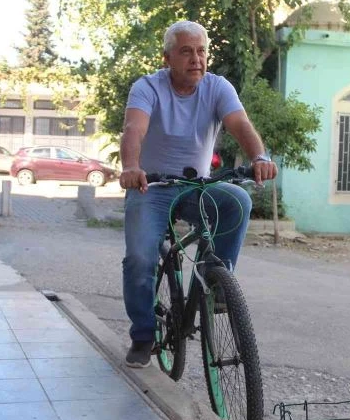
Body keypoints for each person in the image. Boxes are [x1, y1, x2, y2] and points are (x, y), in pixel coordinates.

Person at [119, 20, 278, 368]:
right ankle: (143, 335)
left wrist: (259, 157)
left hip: (197, 187)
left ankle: (214, 280)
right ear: (167, 58)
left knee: (238, 200)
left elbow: (241, 125)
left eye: (202, 51)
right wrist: (132, 167)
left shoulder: (218, 88)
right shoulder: (147, 88)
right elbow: (134, 129)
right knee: (140, 261)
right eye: (186, 51)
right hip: (152, 187)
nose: (196, 59)